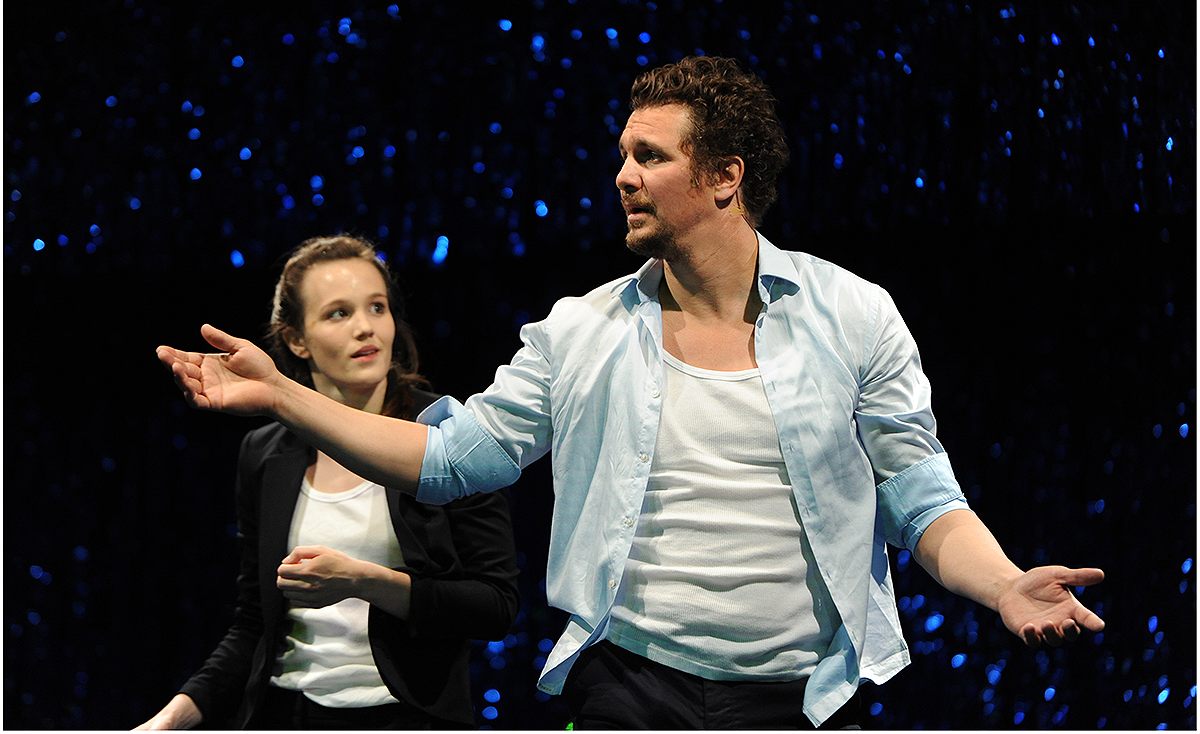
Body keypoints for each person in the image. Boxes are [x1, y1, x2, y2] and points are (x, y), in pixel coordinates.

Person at [157, 57, 1105, 729]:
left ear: (725, 177)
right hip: (630, 692)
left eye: (650, 156)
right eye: (623, 154)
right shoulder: (581, 329)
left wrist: (1002, 584)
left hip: (803, 698)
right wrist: (284, 397)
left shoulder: (854, 315)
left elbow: (921, 496)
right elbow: (448, 461)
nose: (623, 176)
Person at [141, 235, 520, 730]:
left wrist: (364, 581)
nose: (366, 327)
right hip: (285, 713)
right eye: (339, 313)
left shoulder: (448, 438)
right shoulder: (265, 452)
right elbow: (255, 622)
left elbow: (494, 606)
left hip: (404, 717)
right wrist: (166, 721)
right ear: (296, 340)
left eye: (377, 307)